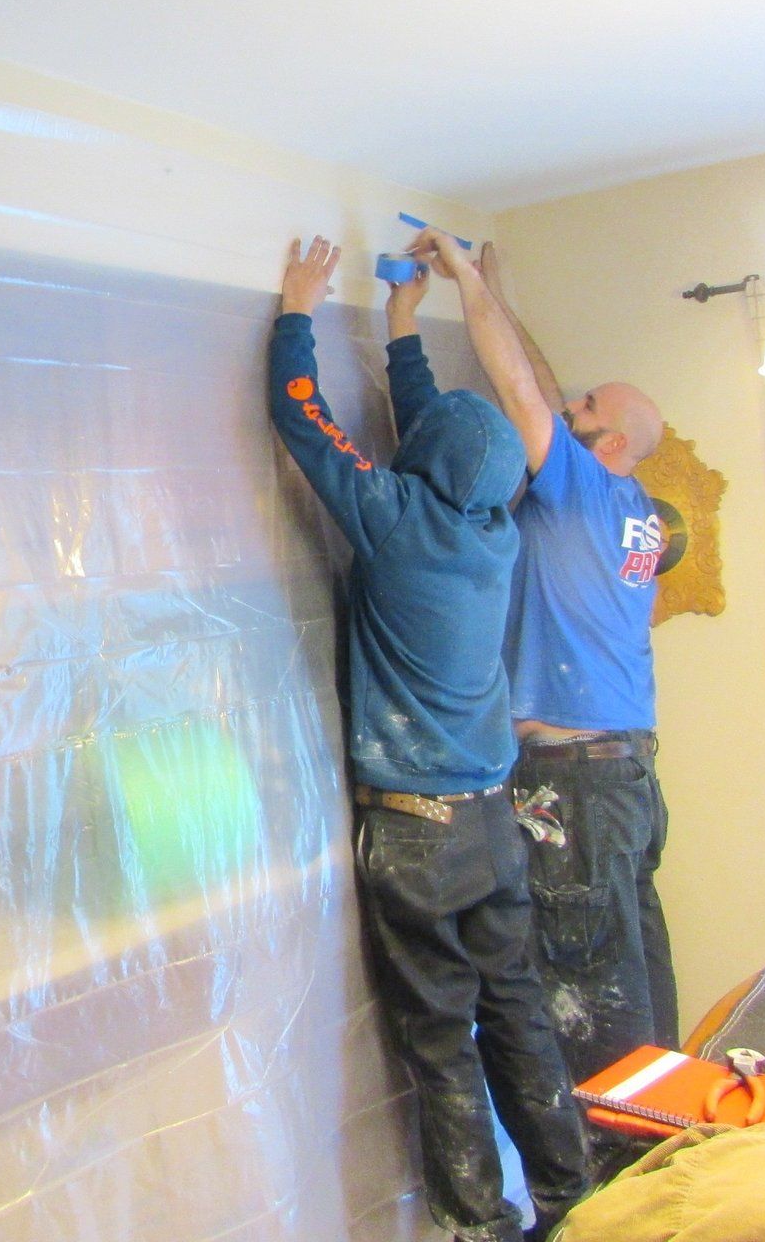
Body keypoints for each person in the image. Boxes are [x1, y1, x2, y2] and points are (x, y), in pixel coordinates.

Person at [269, 237, 588, 1242]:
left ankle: (479, 1227)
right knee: (520, 1014)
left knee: (443, 1038)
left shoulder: (401, 518)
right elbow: (440, 436)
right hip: (493, 827)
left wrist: (296, 308)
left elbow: (304, 421)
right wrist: (401, 319)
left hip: (418, 836)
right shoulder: (490, 522)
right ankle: (579, 1197)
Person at [418, 229, 676, 1097]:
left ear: (609, 444)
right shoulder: (631, 510)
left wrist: (460, 282)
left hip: (576, 779)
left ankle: (614, 1204)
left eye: (588, 407)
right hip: (622, 773)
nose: (571, 408)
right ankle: (671, 1146)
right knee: (631, 965)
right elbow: (541, 390)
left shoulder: (584, 487)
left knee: (587, 996)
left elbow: (525, 393)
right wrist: (498, 293)